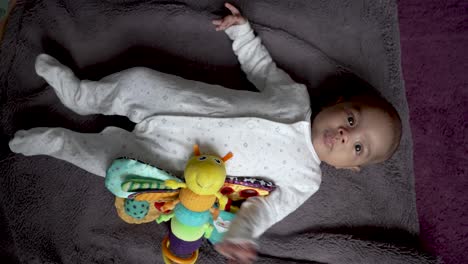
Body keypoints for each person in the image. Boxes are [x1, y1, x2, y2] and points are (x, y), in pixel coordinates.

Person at [8, 3, 401, 263]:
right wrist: (242, 33)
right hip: (174, 100)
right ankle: (80, 95)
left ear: (352, 167)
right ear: (340, 102)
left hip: (172, 160)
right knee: (136, 82)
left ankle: (54, 142)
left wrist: (242, 236)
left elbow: (263, 210)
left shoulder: (306, 178)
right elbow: (261, 68)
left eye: (358, 147)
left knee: (111, 162)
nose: (346, 136)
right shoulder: (295, 97)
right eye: (351, 120)